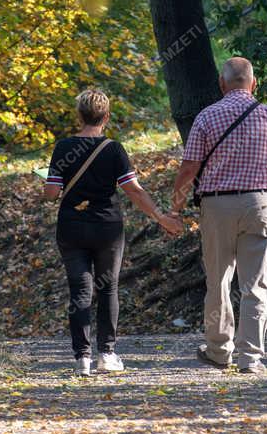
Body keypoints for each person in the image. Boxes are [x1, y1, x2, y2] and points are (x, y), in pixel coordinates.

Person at [169, 57, 267, 374]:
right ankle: (251, 358)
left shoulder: (206, 117)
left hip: (217, 207)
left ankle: (218, 351)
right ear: (253, 84)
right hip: (259, 204)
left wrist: (174, 207)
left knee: (218, 281)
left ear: (222, 83)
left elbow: (189, 169)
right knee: (255, 285)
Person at [44, 89, 184, 376]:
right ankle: (106, 355)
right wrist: (160, 216)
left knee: (79, 290)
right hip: (107, 228)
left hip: (72, 227)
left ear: (79, 115)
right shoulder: (113, 149)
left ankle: (81, 358)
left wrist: (49, 187)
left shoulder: (63, 147)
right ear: (106, 116)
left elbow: (51, 192)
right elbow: (133, 190)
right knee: (107, 288)